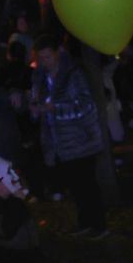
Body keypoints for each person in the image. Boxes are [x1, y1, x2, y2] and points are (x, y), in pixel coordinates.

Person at [29, 34, 109, 238]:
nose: (44, 62)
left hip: (81, 139)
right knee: (76, 185)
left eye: (47, 57)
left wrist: (54, 109)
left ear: (58, 53)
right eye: (41, 58)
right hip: (60, 143)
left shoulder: (73, 74)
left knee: (86, 184)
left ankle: (98, 225)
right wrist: (36, 108)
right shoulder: (40, 77)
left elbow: (84, 105)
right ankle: (85, 222)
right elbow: (36, 100)